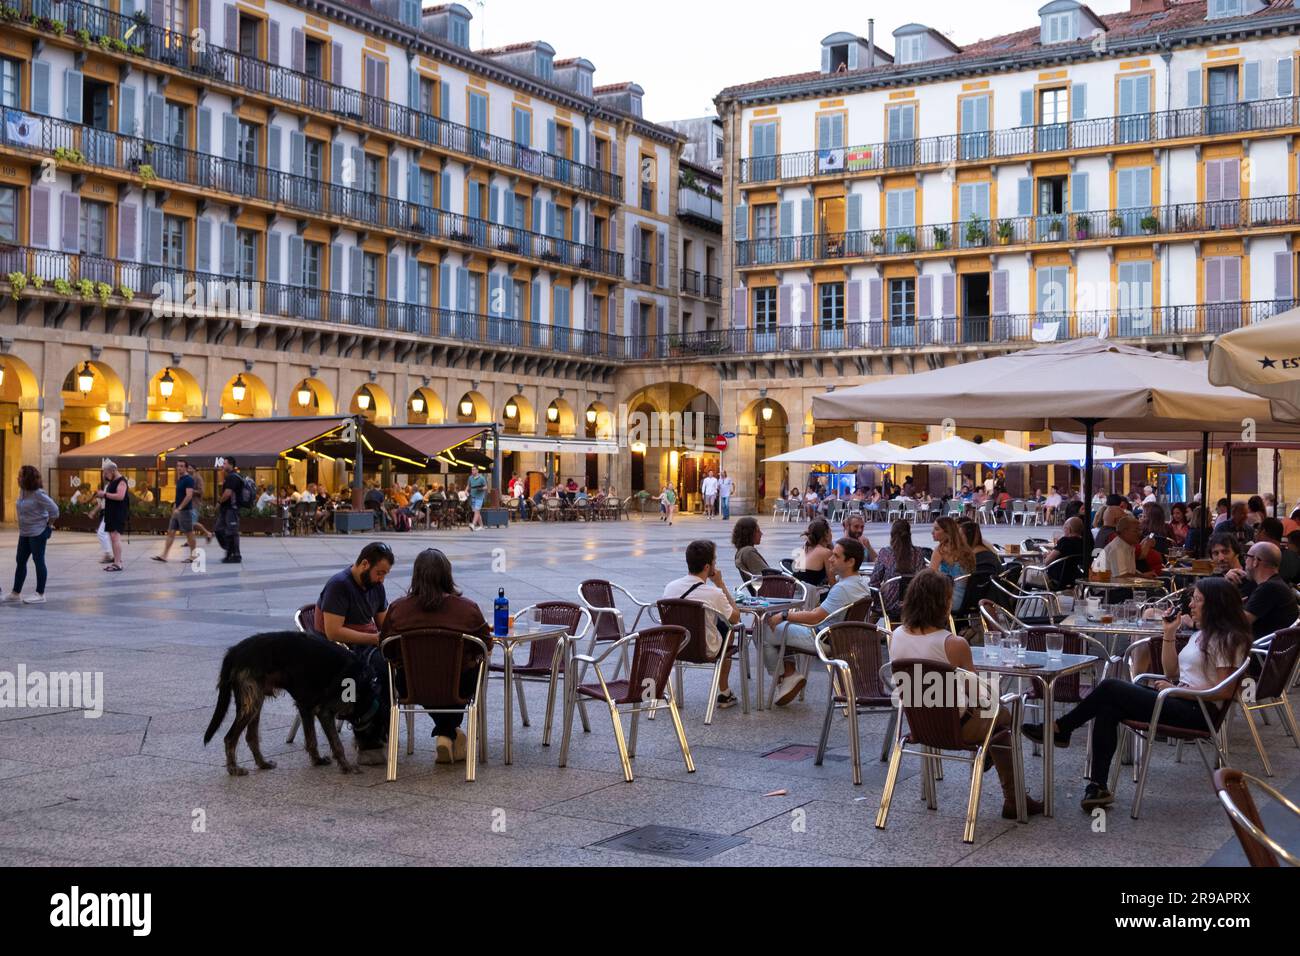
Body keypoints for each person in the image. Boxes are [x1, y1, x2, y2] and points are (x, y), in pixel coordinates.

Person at [1025, 577, 1251, 812]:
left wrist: (1182, 692)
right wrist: (1169, 633)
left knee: (1110, 687)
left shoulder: (1228, 639)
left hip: (1197, 711)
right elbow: (1171, 671)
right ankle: (1097, 785)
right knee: (1108, 707)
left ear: (1216, 604)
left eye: (1197, 600)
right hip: (1178, 699)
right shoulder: (1201, 634)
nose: (1191, 605)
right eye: (1192, 600)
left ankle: (1062, 728)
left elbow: (1225, 690)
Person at [890, 570, 1043, 819]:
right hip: (956, 727)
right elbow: (982, 698)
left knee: (997, 720)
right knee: (1004, 715)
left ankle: (1011, 791)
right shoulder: (953, 643)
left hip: (919, 726)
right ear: (941, 603)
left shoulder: (896, 636)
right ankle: (1013, 797)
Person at [379, 548, 490, 764]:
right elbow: (485, 645)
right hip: (459, 685)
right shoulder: (467, 609)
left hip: (410, 685)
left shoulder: (398, 609)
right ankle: (448, 733)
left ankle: (445, 733)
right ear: (447, 575)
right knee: (469, 670)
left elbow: (386, 648)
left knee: (416, 675)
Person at [766, 537, 871, 706]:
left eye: (836, 556)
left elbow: (816, 617)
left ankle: (787, 676)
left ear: (850, 561)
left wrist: (785, 615)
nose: (830, 559)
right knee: (778, 629)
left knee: (765, 630)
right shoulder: (862, 584)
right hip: (841, 638)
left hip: (821, 638)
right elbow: (821, 614)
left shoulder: (842, 588)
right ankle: (788, 673)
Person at [317, 542, 395, 764]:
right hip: (339, 652)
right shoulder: (339, 585)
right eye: (379, 573)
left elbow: (384, 623)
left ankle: (382, 729)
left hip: (366, 645)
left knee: (395, 665)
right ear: (364, 564)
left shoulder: (376, 587)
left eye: (385, 574)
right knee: (379, 670)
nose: (382, 579)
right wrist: (373, 639)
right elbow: (333, 633)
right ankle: (371, 734)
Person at [662, 539, 742, 709]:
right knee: (730, 630)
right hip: (706, 649)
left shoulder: (670, 587)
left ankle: (723, 692)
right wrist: (721, 584)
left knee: (720, 626)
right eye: (714, 561)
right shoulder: (714, 593)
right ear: (707, 567)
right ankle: (724, 692)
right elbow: (736, 617)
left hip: (677, 647)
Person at [4, 465, 59, 604]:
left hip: (37, 532)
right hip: (24, 533)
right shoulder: (22, 491)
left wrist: (48, 526)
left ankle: (40, 594)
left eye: (20, 475)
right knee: (20, 561)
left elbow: (55, 511)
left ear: (27, 478)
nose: (17, 477)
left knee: (38, 561)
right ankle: (15, 593)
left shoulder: (38, 494)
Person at [1225, 542, 1299, 640]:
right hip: (1270, 650)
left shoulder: (1269, 588)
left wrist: (1226, 588)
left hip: (1257, 652)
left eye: (1247, 557)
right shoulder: (1276, 584)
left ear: (1255, 561)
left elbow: (1236, 624)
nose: (1245, 562)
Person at [870, 519, 922, 623]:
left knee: (875, 606)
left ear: (892, 534)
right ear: (909, 534)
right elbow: (922, 578)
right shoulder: (918, 553)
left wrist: (877, 599)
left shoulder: (886, 552)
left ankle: (865, 635)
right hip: (913, 602)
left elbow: (874, 581)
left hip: (890, 604)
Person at [153, 458, 198, 563]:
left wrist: (180, 508)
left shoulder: (188, 479)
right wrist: (175, 506)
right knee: (171, 532)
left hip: (185, 511)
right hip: (177, 510)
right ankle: (164, 555)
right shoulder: (180, 479)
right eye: (178, 466)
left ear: (186, 468)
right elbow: (180, 495)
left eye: (182, 466)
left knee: (189, 533)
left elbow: (189, 496)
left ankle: (193, 555)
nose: (179, 468)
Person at [930, 516, 975, 609]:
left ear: (947, 532)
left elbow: (930, 577)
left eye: (936, 529)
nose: (932, 532)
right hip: (969, 599)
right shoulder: (967, 549)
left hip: (949, 600)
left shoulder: (940, 550)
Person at [95, 460, 129, 572]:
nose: (105, 475)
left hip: (117, 513)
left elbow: (120, 496)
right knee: (112, 538)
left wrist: (104, 494)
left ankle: (118, 563)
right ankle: (116, 561)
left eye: (106, 473)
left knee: (115, 538)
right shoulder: (113, 481)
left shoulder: (121, 481)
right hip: (110, 513)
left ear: (113, 470)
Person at [1041, 517, 1087, 590]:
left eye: (1064, 528)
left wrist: (1047, 556)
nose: (1063, 530)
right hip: (1075, 578)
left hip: (1056, 579)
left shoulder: (1064, 541)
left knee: (1025, 573)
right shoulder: (1084, 543)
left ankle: (1018, 599)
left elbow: (1046, 562)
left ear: (1069, 529)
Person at [1254, 518, 1300, 586]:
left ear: (1263, 532)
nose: (1255, 535)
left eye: (1257, 531)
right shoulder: (1293, 557)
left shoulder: (1262, 559)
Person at [216, 457, 243, 564]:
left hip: (232, 509)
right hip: (226, 509)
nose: (223, 465)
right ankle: (230, 550)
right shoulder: (228, 477)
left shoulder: (233, 477)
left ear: (231, 465)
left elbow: (227, 493)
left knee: (232, 532)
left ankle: (235, 555)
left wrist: (219, 502)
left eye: (225, 463)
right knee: (218, 529)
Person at [792, 518, 833, 588]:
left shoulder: (806, 547)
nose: (832, 534)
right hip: (808, 595)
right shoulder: (825, 552)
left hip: (794, 591)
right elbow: (832, 582)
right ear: (826, 534)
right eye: (830, 532)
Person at [732, 516, 769, 582]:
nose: (761, 534)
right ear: (749, 534)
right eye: (758, 531)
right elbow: (767, 575)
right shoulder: (748, 553)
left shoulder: (741, 552)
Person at [467, 465, 487, 532]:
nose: (473, 471)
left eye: (474, 469)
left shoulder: (482, 478)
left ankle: (473, 524)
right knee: (477, 511)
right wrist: (465, 490)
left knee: (477, 510)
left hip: (480, 497)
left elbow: (486, 487)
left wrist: (480, 488)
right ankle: (481, 526)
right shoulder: (470, 478)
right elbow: (468, 485)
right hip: (473, 496)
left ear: (477, 470)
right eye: (472, 469)